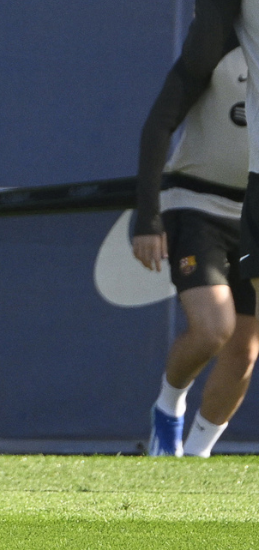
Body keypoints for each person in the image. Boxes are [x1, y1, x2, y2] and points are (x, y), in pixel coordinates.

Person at [134, 40, 256, 458]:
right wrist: (147, 217)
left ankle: (197, 456)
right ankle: (168, 410)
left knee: (244, 349)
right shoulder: (217, 43)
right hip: (196, 205)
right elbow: (158, 125)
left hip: (253, 215)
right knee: (213, 329)